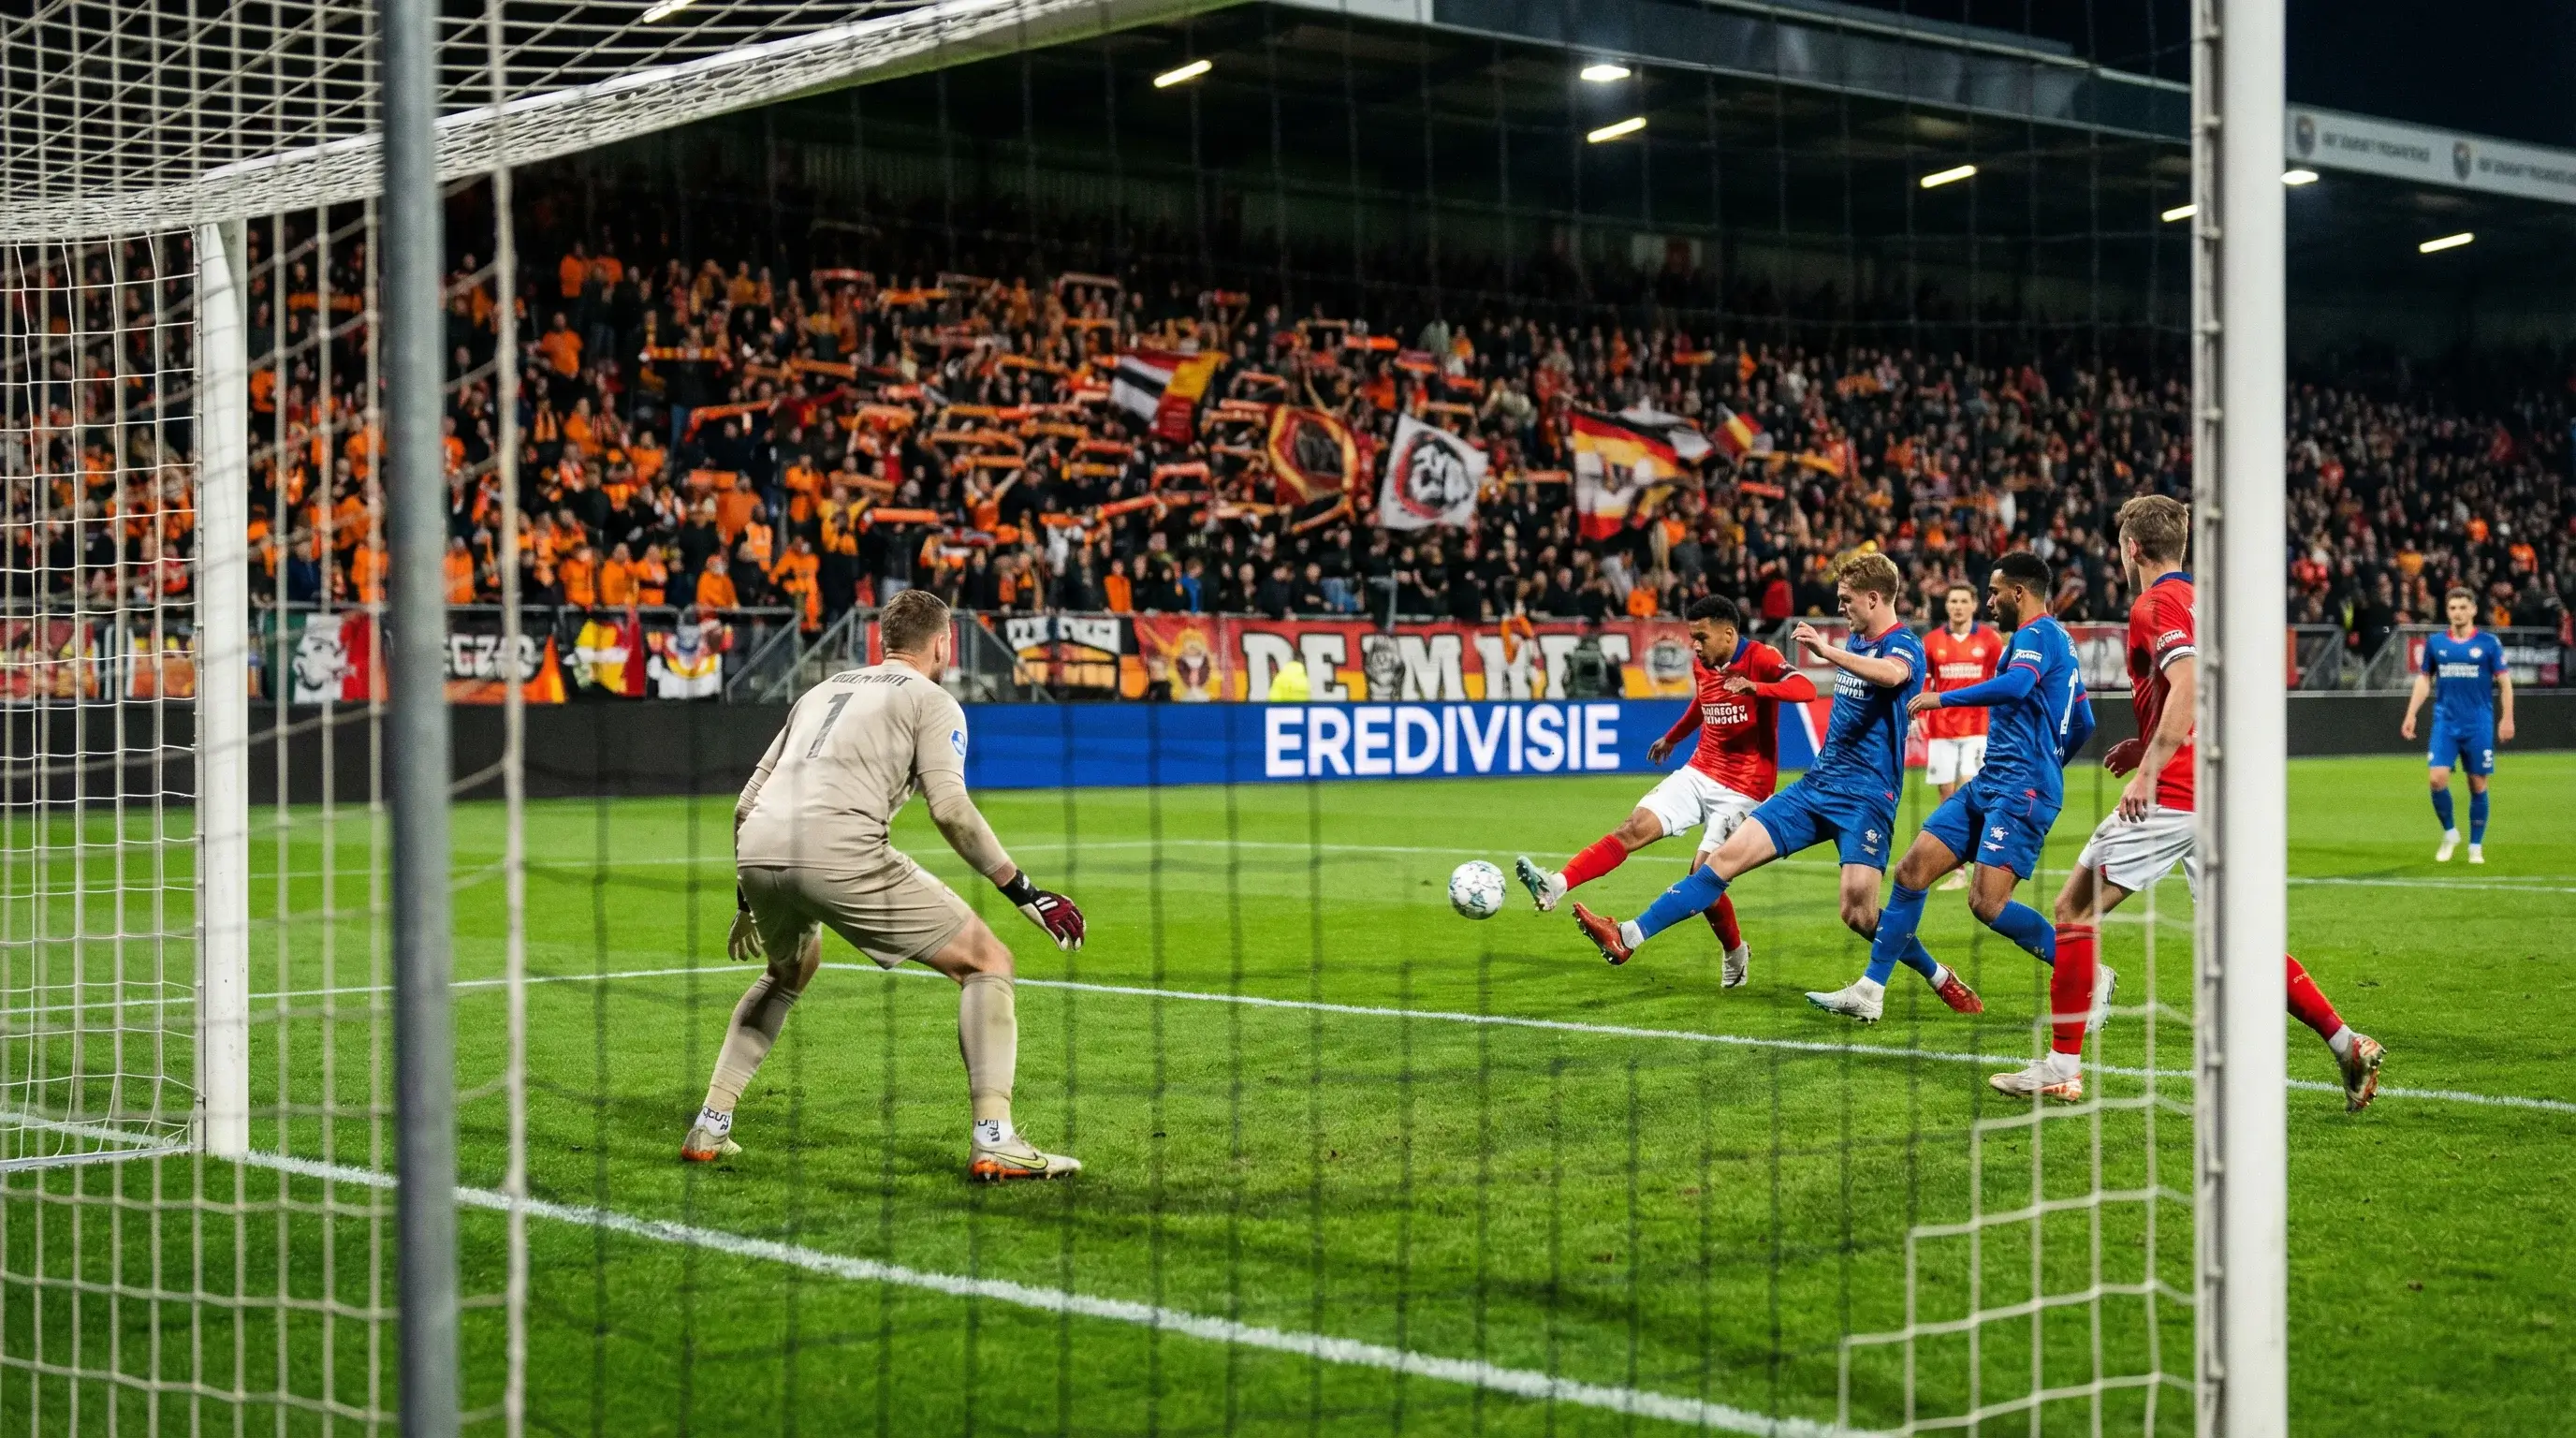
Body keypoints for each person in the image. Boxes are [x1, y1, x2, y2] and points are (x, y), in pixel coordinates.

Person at [1990, 494, 2384, 1108]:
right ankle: (2346, 1044)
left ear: (2132, 548)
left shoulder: (2157, 602)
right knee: (2240, 943)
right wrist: (2141, 741)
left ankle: (2061, 1067)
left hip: (2175, 793)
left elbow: (2191, 685)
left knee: (2072, 912)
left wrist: (2149, 769)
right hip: (2219, 793)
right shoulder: (2201, 601)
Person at [682, 589, 1090, 1180]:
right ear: (944, 644)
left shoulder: (819, 691)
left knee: (788, 970)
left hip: (759, 849)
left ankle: (709, 1126)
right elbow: (950, 810)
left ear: (883, 641)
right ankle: (995, 1139)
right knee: (987, 962)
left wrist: (748, 899)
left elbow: (746, 803)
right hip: (839, 849)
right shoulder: (934, 700)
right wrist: (1024, 891)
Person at [1568, 554, 1978, 1020]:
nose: (1841, 608)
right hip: (1815, 788)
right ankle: (1628, 936)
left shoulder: (1903, 644)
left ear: (1874, 598)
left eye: (1846, 601)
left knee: (1860, 916)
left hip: (1867, 799)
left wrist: (1826, 653)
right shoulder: (1857, 640)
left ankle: (1938, 976)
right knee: (1721, 862)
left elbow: (1895, 676)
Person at [1806, 552, 2092, 1022]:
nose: (1990, 601)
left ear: (2018, 593)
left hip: (2021, 788)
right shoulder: (2054, 639)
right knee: (1913, 870)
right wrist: (2054, 756)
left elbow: (2019, 686)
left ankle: (2086, 971)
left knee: (1986, 903)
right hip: (1991, 779)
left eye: (1995, 592)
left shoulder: (2036, 635)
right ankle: (1870, 991)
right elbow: (2083, 719)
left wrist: (1943, 698)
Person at [1512, 595, 1814, 988]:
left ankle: (1735, 951)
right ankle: (1556, 885)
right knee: (1632, 827)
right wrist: (1672, 738)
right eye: (1693, 638)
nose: (1696, 646)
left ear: (1729, 633)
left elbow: (1805, 688)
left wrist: (1756, 688)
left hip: (1745, 788)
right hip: (1700, 769)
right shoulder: (1703, 664)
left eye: (1702, 637)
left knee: (1703, 876)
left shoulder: (1761, 657)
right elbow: (1703, 705)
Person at [2402, 585, 2513, 863]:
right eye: (2453, 608)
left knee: (2477, 783)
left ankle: (2476, 845)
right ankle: (2450, 832)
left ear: (2473, 610)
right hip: (2445, 723)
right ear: (2447, 612)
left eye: (2463, 607)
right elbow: (2424, 679)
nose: (2458, 613)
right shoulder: (2437, 643)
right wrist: (2411, 712)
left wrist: (2507, 717)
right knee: (2436, 779)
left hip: (2478, 723)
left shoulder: (2488, 644)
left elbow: (2505, 683)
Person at [1920, 582, 2004, 889]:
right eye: (1952, 600)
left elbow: (2004, 679)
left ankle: (1981, 862)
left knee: (1971, 793)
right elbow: (1924, 681)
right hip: (1941, 730)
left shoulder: (1989, 640)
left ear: (1974, 605)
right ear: (1947, 606)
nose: (1957, 606)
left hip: (1977, 729)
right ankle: (1956, 869)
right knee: (1946, 800)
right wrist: (1917, 714)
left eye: (1962, 601)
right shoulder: (1930, 642)